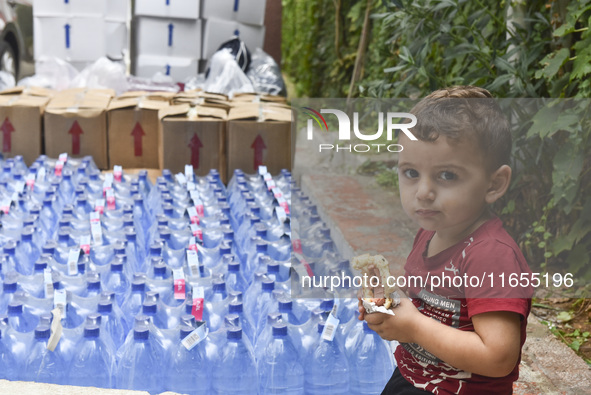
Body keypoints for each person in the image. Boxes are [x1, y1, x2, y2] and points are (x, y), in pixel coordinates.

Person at [358, 86, 533, 394]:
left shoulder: (490, 255)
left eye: (447, 176)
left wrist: (414, 327)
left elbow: (499, 357)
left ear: (494, 184)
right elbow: (426, 307)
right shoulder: (430, 232)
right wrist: (389, 308)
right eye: (411, 172)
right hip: (414, 375)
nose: (423, 191)